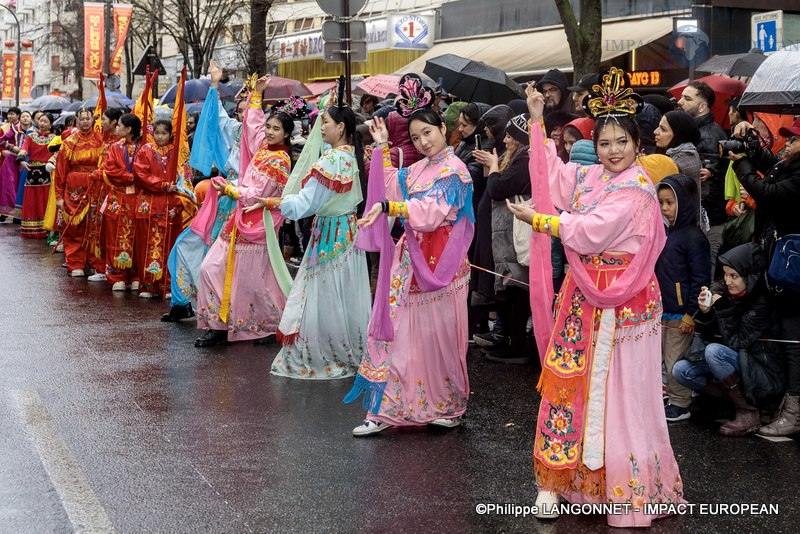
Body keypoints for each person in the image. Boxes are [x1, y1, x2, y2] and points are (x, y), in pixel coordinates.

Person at [509, 67, 684, 526]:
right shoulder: (591, 176)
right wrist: (537, 122)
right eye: (604, 143)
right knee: (570, 386)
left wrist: (540, 220)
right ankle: (558, 478)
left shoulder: (637, 191)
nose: (612, 151)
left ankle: (620, 484)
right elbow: (555, 177)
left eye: (621, 142)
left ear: (637, 143)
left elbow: (589, 231)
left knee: (618, 391)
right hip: (582, 297)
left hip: (622, 302)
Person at [345, 78, 474, 435]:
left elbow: (431, 212)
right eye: (416, 138)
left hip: (443, 263)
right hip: (412, 259)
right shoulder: (418, 169)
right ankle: (386, 409)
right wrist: (383, 146)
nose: (423, 142)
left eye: (428, 133)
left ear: (443, 128)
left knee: (440, 338)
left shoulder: (455, 171)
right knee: (400, 333)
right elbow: (389, 184)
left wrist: (391, 206)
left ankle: (448, 405)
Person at [249, 91, 370, 378]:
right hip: (347, 232)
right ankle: (348, 347)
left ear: (341, 127)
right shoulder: (350, 155)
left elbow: (305, 205)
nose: (320, 126)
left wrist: (272, 203)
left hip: (329, 233)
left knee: (323, 294)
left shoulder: (331, 162)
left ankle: (327, 352)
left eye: (325, 121)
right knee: (343, 293)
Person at [195, 76, 292, 347]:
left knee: (253, 280)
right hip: (241, 219)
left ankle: (269, 326)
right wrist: (257, 95)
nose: (270, 132)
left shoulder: (279, 160)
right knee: (211, 267)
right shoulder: (263, 148)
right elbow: (253, 124)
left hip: (258, 223)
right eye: (269, 127)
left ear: (286, 134)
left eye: (276, 129)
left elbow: (257, 194)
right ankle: (217, 324)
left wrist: (229, 189)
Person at [730, 117, 800, 436]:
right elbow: (772, 164)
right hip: (780, 262)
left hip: (792, 267)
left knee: (792, 339)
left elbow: (769, 192)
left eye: (794, 140)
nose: (786, 143)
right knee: (782, 334)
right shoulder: (790, 164)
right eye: (787, 137)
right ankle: (780, 403)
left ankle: (794, 413)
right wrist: (753, 146)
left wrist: (743, 165)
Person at [672, 243, 783, 436]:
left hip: (764, 374)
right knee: (680, 371)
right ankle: (731, 403)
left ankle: (749, 412)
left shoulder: (761, 301)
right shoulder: (727, 293)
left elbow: (738, 343)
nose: (727, 281)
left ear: (750, 276)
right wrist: (706, 314)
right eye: (725, 275)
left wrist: (722, 308)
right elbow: (710, 336)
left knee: (714, 352)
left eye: (734, 276)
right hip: (738, 364)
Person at [162, 60, 241, 322]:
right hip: (222, 201)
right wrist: (215, 84)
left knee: (222, 260)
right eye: (240, 109)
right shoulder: (237, 131)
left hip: (243, 204)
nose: (242, 114)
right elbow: (217, 116)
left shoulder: (262, 141)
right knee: (186, 245)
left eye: (249, 109)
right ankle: (182, 302)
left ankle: (226, 313)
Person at [473, 114, 532, 364]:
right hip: (505, 235)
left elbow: (498, 189)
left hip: (514, 235)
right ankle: (510, 340)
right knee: (509, 289)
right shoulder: (519, 157)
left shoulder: (525, 160)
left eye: (510, 136)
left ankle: (517, 345)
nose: (505, 140)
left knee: (517, 290)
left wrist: (494, 166)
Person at [655, 174, 711, 422]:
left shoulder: (694, 237)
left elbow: (701, 279)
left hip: (681, 313)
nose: (665, 208)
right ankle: (672, 397)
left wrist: (690, 314)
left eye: (670, 202)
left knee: (675, 358)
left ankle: (681, 403)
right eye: (662, 203)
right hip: (665, 309)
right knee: (665, 356)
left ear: (685, 202)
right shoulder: (668, 233)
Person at [678, 81, 728, 277]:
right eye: (681, 96)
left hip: (708, 221)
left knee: (703, 269)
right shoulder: (694, 132)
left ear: (702, 106)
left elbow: (708, 184)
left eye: (687, 98)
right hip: (701, 218)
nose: (680, 102)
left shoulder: (706, 136)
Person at [131, 120, 185, 298]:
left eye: (164, 133)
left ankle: (168, 285)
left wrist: (176, 190)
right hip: (150, 201)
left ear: (171, 134)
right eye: (157, 133)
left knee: (170, 243)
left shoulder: (177, 152)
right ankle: (148, 285)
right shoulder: (145, 150)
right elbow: (140, 174)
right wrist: (162, 185)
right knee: (146, 242)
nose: (160, 136)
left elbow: (185, 177)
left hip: (171, 201)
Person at [53, 108, 104, 276]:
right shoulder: (69, 143)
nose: (84, 122)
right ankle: (75, 263)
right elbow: (60, 171)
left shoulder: (100, 140)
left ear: (93, 120)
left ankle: (96, 263)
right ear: (76, 120)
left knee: (95, 226)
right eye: (81, 119)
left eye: (87, 119)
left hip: (96, 187)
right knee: (74, 227)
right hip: (74, 188)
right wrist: (59, 196)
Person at [99, 113, 143, 291]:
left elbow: (148, 170)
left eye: (120, 126)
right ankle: (117, 275)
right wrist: (132, 177)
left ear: (129, 129)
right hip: (119, 197)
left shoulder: (145, 148)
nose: (116, 129)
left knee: (137, 238)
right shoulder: (114, 147)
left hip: (138, 198)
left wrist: (139, 178)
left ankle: (135, 275)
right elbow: (110, 170)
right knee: (114, 236)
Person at [86, 108, 124, 282]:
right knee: (100, 228)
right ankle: (101, 267)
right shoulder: (107, 140)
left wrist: (100, 174)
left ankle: (112, 269)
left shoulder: (120, 143)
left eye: (104, 119)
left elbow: (114, 169)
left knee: (113, 231)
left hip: (114, 191)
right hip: (102, 190)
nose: (101, 123)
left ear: (115, 122)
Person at [17, 112, 56, 239]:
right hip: (32, 170)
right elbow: (24, 148)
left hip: (47, 171)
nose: (42, 123)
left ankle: (45, 228)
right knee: (31, 200)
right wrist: (21, 160)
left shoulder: (55, 138)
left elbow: (57, 154)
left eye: (45, 121)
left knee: (45, 200)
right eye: (40, 120)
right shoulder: (31, 136)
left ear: (50, 125)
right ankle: (31, 230)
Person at [0, 106, 23, 219]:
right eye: (9, 114)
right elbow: (2, 140)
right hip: (12, 160)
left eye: (12, 114)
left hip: (20, 160)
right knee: (9, 185)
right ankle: (8, 212)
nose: (10, 116)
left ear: (19, 116)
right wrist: (10, 147)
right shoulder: (12, 128)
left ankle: (16, 212)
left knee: (17, 185)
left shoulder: (22, 127)